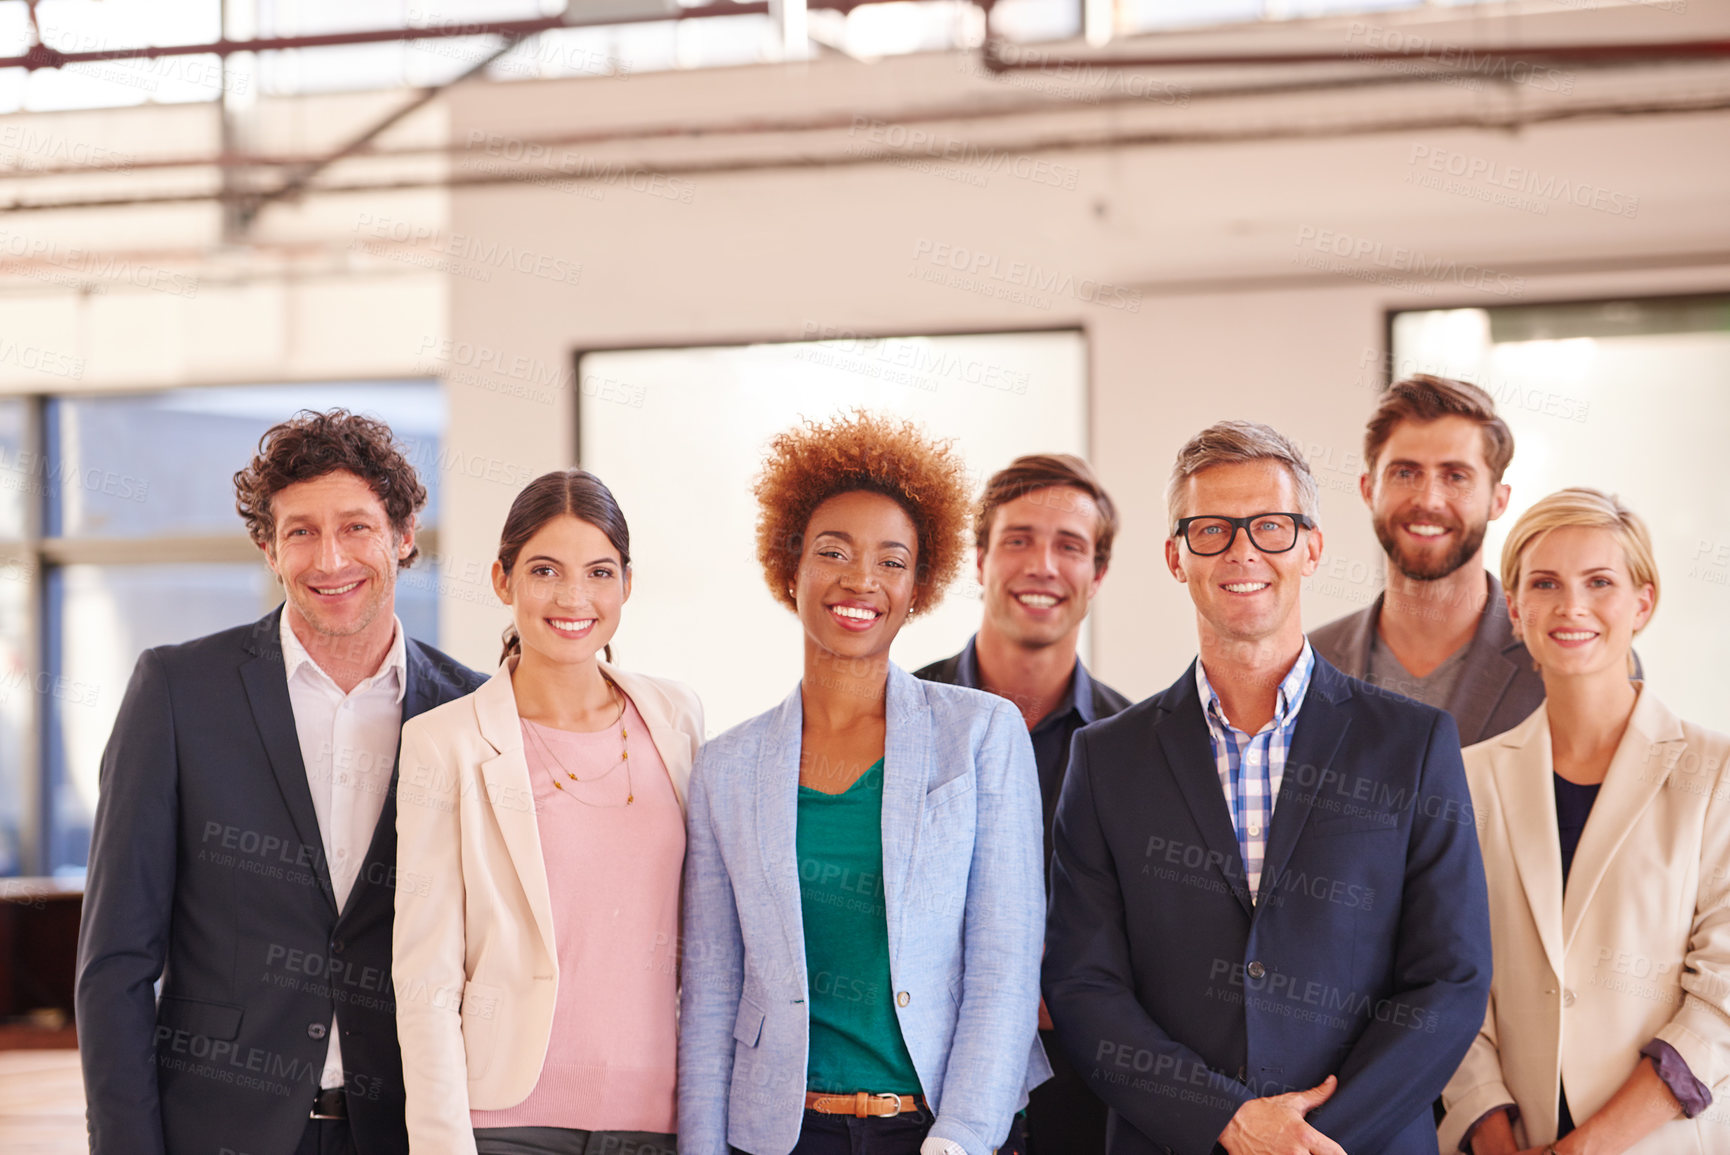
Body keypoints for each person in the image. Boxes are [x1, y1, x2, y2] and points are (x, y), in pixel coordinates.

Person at [1043, 420, 1492, 1155]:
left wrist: (1307, 1140)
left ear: (1311, 547)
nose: (1243, 550)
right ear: (1174, 556)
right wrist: (1227, 1120)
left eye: (1271, 526)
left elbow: (1450, 978)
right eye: (1211, 529)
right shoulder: (1105, 760)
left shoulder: (1413, 745)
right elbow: (1085, 986)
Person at [76, 409, 486, 1155]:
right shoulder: (176, 692)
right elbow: (114, 965)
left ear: (403, 533)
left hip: (407, 1131)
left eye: (356, 526)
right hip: (219, 1129)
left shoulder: (472, 710)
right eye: (300, 531)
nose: (330, 559)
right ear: (268, 548)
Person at [679, 411, 1049, 1155]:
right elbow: (712, 988)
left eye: (891, 560)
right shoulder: (726, 765)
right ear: (791, 570)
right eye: (833, 551)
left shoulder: (981, 734)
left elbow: (1004, 964)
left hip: (938, 1127)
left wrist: (962, 1139)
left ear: (919, 586)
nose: (860, 579)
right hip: (781, 1134)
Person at [393, 469, 704, 1155]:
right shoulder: (444, 743)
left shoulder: (676, 718)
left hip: (662, 1122)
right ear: (504, 581)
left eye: (599, 571)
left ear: (626, 583)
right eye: (545, 570)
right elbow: (426, 977)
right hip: (508, 1125)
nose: (573, 596)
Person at [1439, 488, 1730, 1155]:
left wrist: (1583, 1149)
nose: (1571, 606)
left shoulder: (1717, 774)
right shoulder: (1468, 777)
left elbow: (1723, 997)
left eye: (1600, 581)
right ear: (1515, 610)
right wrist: (1492, 1134)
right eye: (1545, 583)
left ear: (1643, 603)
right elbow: (1451, 978)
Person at [914, 453, 1129, 1155]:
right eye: (1017, 539)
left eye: (1069, 546)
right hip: (920, 1082)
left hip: (1087, 1093)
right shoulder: (899, 717)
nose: (1042, 564)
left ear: (1097, 576)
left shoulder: (1140, 746)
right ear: (979, 560)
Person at [1309, 375, 1540, 744]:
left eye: (1456, 476)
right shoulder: (1307, 665)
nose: (1429, 500)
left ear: (1498, 500)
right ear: (1369, 490)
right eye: (1405, 473)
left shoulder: (1553, 660)